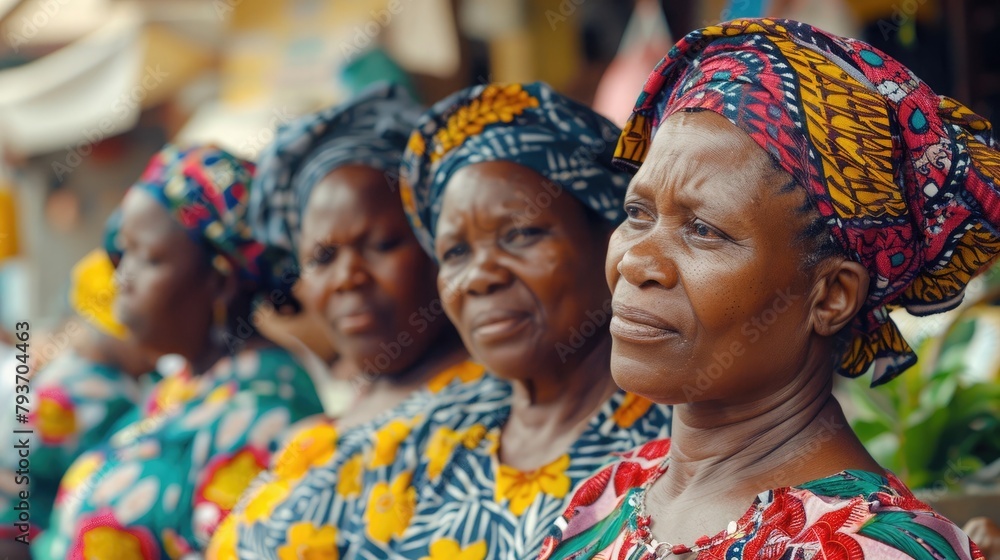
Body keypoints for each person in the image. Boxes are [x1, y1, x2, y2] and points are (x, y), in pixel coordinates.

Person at [537, 18, 996, 559]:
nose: (637, 260)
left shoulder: (874, 548)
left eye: (703, 229)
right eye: (637, 213)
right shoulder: (607, 495)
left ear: (831, 297)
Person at [325, 81, 671, 559]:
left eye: (522, 233)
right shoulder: (418, 440)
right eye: (456, 252)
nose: (479, 277)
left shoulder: (675, 447)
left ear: (609, 238)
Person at [207, 83, 506, 559]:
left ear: (438, 247)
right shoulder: (325, 426)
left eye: (382, 244)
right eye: (323, 257)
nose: (348, 277)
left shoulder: (497, 415)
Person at [30, 145, 324, 560]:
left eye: (147, 258)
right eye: (123, 252)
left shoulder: (266, 411)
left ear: (219, 281)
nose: (122, 278)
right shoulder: (181, 385)